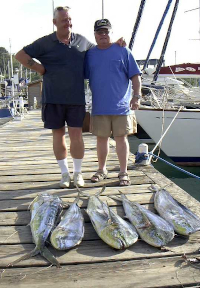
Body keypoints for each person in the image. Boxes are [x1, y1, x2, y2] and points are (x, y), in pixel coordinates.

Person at [15, 7, 125, 189]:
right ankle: (64, 174)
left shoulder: (82, 41)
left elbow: (100, 49)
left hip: (76, 99)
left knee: (76, 136)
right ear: (55, 22)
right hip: (52, 98)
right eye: (64, 20)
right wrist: (39, 68)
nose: (68, 23)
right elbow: (20, 55)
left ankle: (77, 173)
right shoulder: (45, 42)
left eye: (70, 19)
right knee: (58, 136)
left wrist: (116, 43)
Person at [85, 19, 142, 186]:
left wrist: (136, 97)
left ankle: (123, 172)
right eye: (99, 32)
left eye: (106, 32)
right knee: (101, 139)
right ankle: (101, 169)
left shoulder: (123, 50)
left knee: (121, 138)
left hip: (122, 106)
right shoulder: (90, 54)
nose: (103, 34)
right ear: (94, 34)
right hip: (99, 106)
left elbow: (136, 76)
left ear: (111, 33)